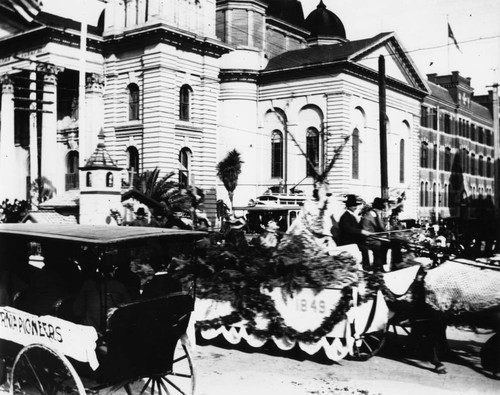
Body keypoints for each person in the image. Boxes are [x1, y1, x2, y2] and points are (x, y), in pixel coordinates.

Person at [73, 262, 131, 333]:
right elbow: (128, 308)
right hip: (112, 330)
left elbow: (77, 310)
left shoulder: (88, 285)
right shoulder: (119, 286)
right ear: (112, 272)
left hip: (92, 329)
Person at [360, 197, 389, 272]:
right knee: (378, 245)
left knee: (388, 243)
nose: (381, 211)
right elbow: (366, 233)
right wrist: (381, 235)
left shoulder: (376, 215)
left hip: (376, 237)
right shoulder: (367, 217)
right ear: (376, 209)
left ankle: (382, 264)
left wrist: (386, 233)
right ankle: (377, 267)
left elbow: (382, 228)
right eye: (380, 209)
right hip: (369, 240)